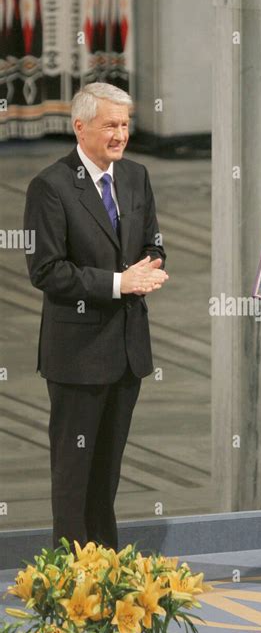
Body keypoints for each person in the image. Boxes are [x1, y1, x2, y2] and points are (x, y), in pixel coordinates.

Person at [23, 82, 169, 551]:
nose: (120, 134)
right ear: (80, 126)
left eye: (125, 125)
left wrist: (151, 265)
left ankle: (104, 567)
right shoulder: (50, 186)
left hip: (127, 351)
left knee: (107, 471)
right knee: (74, 474)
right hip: (78, 356)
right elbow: (45, 270)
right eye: (111, 124)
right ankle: (70, 576)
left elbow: (153, 240)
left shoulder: (135, 176)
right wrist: (118, 283)